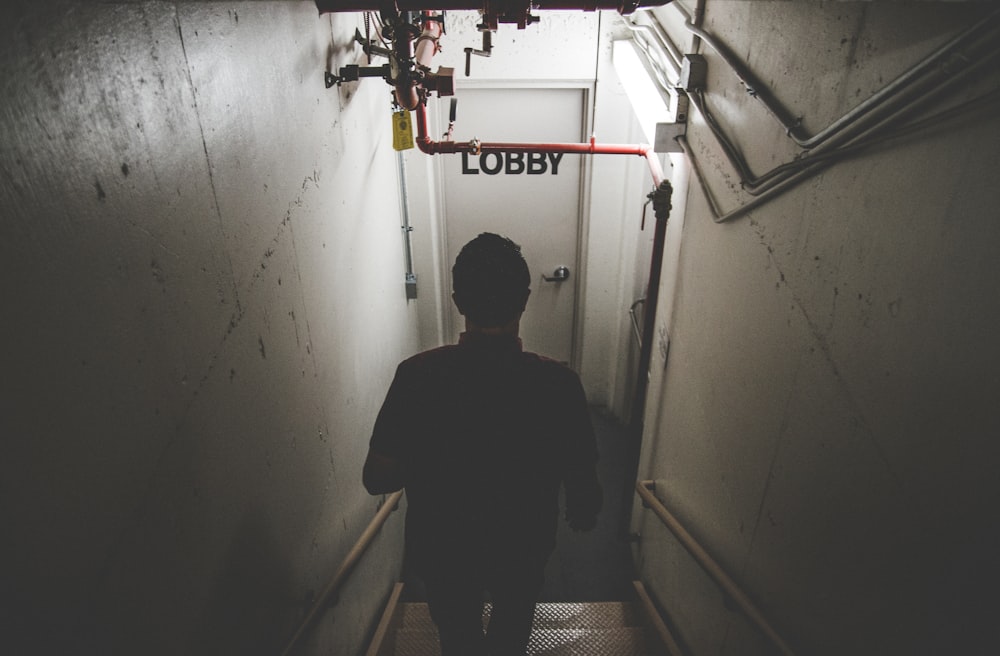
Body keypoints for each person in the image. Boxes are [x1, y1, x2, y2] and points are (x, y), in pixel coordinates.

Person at [363, 232, 603, 656]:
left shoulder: (417, 376)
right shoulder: (559, 385)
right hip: (524, 541)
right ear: (525, 299)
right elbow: (583, 484)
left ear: (457, 301)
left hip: (443, 543)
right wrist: (579, 508)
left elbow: (377, 478)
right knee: (511, 630)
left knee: (458, 637)